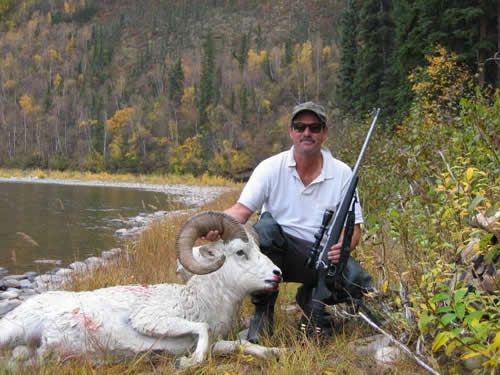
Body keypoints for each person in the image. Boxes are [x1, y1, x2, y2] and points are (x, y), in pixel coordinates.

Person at [205, 101, 371, 343]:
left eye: (314, 127)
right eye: (300, 126)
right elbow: (242, 211)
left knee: (360, 282)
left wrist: (344, 246)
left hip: (324, 258)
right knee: (264, 229)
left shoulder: (343, 173)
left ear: (324, 133)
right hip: (279, 252)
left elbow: (353, 228)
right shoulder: (270, 168)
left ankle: (312, 299)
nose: (307, 133)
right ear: (291, 131)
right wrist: (216, 224)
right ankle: (263, 314)